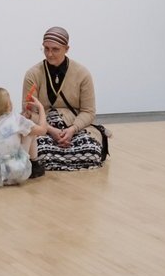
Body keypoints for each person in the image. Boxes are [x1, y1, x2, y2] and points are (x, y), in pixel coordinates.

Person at [21, 27, 105, 170]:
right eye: (46, 49)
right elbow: (28, 113)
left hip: (75, 127)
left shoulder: (82, 74)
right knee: (37, 152)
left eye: (55, 49)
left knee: (91, 151)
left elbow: (88, 111)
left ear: (67, 49)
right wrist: (51, 130)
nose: (49, 54)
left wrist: (72, 130)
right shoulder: (33, 74)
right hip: (45, 127)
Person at [0, 87, 48, 187]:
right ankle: (35, 164)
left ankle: (33, 164)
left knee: (25, 129)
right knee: (30, 132)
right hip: (12, 173)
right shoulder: (17, 119)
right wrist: (41, 108)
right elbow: (43, 130)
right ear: (8, 104)